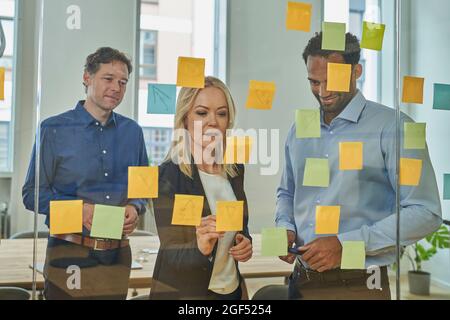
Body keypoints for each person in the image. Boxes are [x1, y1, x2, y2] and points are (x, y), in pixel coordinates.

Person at [275, 32, 442, 300]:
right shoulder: (301, 128)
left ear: (357, 71)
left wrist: (346, 245)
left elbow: (426, 212)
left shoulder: (394, 127)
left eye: (332, 81)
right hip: (302, 279)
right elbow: (287, 192)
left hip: (359, 283)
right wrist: (286, 227)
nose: (323, 92)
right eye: (314, 82)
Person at [22, 47, 149, 300]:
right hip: (69, 251)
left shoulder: (133, 132)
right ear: (87, 78)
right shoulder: (53, 128)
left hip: (118, 254)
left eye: (123, 82)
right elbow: (32, 194)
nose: (116, 87)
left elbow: (143, 190)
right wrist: (78, 210)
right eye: (108, 79)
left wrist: (136, 207)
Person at [150, 76, 253, 300]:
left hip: (230, 292)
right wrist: (200, 246)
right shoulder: (168, 175)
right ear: (185, 119)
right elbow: (171, 253)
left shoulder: (235, 170)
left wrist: (244, 243)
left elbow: (241, 227)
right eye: (202, 113)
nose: (213, 121)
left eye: (222, 113)